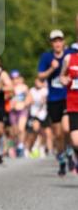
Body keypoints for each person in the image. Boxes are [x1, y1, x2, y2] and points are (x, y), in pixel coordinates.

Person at [37, 30, 72, 176]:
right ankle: (62, 157)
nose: (57, 43)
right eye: (55, 41)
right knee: (58, 133)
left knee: (67, 128)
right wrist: (52, 68)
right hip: (53, 99)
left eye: (60, 40)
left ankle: (70, 150)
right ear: (51, 43)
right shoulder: (46, 57)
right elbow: (40, 76)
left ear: (63, 42)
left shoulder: (69, 54)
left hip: (68, 97)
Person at [59, 46, 78, 174]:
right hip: (73, 105)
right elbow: (61, 76)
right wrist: (64, 80)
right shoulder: (69, 58)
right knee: (76, 141)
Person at [8, 70, 31, 157]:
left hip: (22, 110)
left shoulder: (24, 87)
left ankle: (21, 146)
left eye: (17, 78)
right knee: (15, 131)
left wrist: (25, 103)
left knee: (21, 129)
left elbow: (29, 97)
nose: (15, 80)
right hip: (12, 111)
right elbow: (6, 98)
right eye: (13, 78)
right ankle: (15, 145)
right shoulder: (9, 87)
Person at [26, 78, 49, 157]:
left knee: (44, 133)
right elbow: (28, 100)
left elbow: (44, 100)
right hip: (34, 114)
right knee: (35, 129)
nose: (37, 83)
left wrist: (44, 100)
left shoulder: (45, 90)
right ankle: (33, 147)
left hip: (43, 114)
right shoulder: (32, 90)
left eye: (39, 82)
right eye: (36, 82)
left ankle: (42, 147)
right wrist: (28, 102)